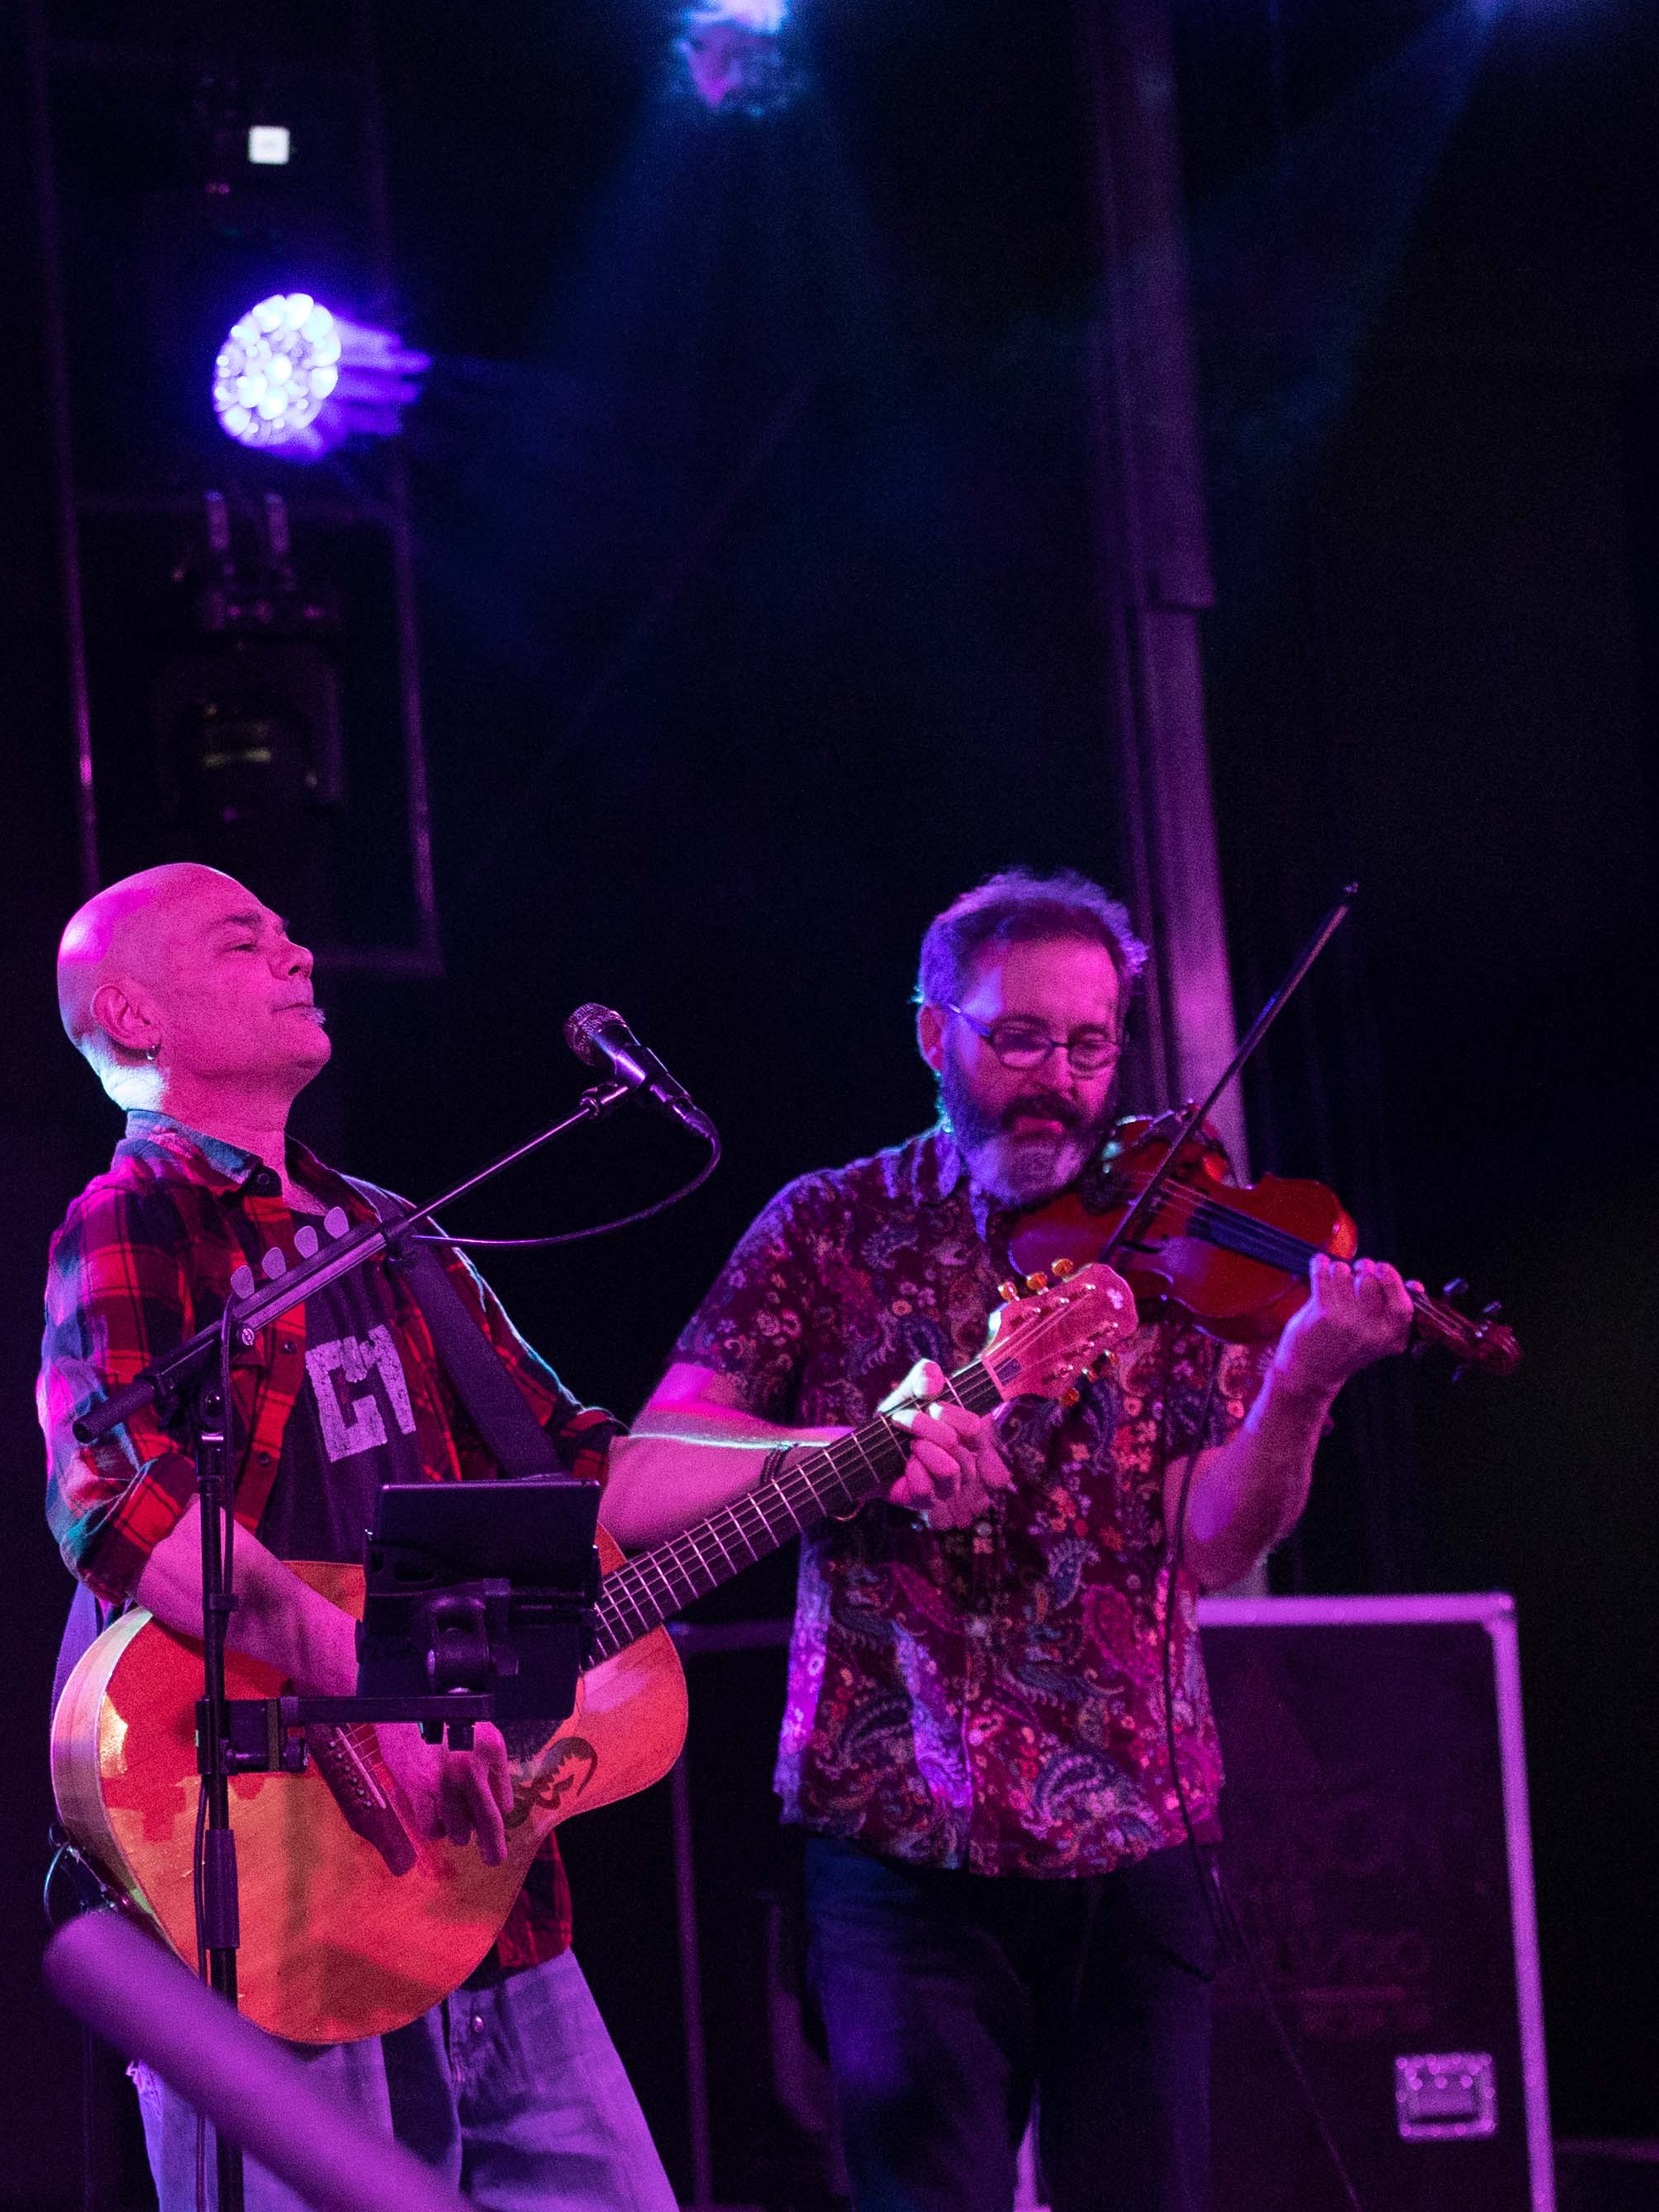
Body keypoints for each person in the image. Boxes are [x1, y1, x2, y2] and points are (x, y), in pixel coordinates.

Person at [38, 861, 953, 2212]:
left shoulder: (396, 1238)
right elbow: (115, 1492)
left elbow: (595, 1475)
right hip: (268, 1881)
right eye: (246, 941)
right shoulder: (136, 1218)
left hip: (477, 1894)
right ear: (134, 1017)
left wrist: (849, 1448)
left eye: (294, 934)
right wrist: (373, 1692)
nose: (298, 956)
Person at [601, 869, 1414, 2212]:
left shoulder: (1177, 1247)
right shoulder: (827, 1229)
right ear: (934, 1034)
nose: (1057, 1080)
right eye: (1018, 1038)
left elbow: (1210, 1543)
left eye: (1090, 1046)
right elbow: (642, 1482)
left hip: (1138, 1831)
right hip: (893, 1837)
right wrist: (854, 1454)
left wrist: (1304, 1387)